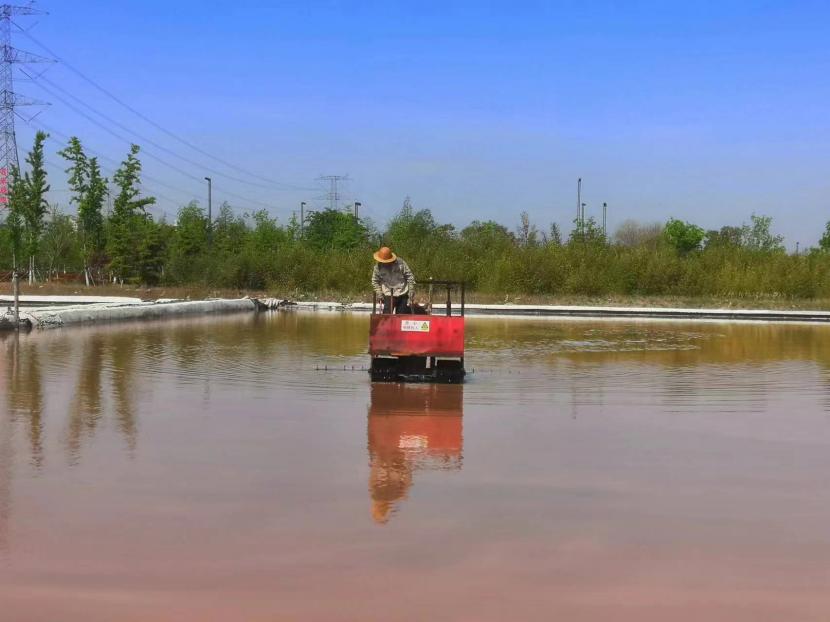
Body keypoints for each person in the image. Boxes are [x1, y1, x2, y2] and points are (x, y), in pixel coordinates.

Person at [372, 246, 416, 314]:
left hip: (402, 292)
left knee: (401, 315)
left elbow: (410, 277)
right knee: (386, 315)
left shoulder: (401, 263)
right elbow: (375, 281)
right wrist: (379, 293)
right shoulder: (378, 267)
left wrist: (411, 291)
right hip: (388, 293)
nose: (385, 263)